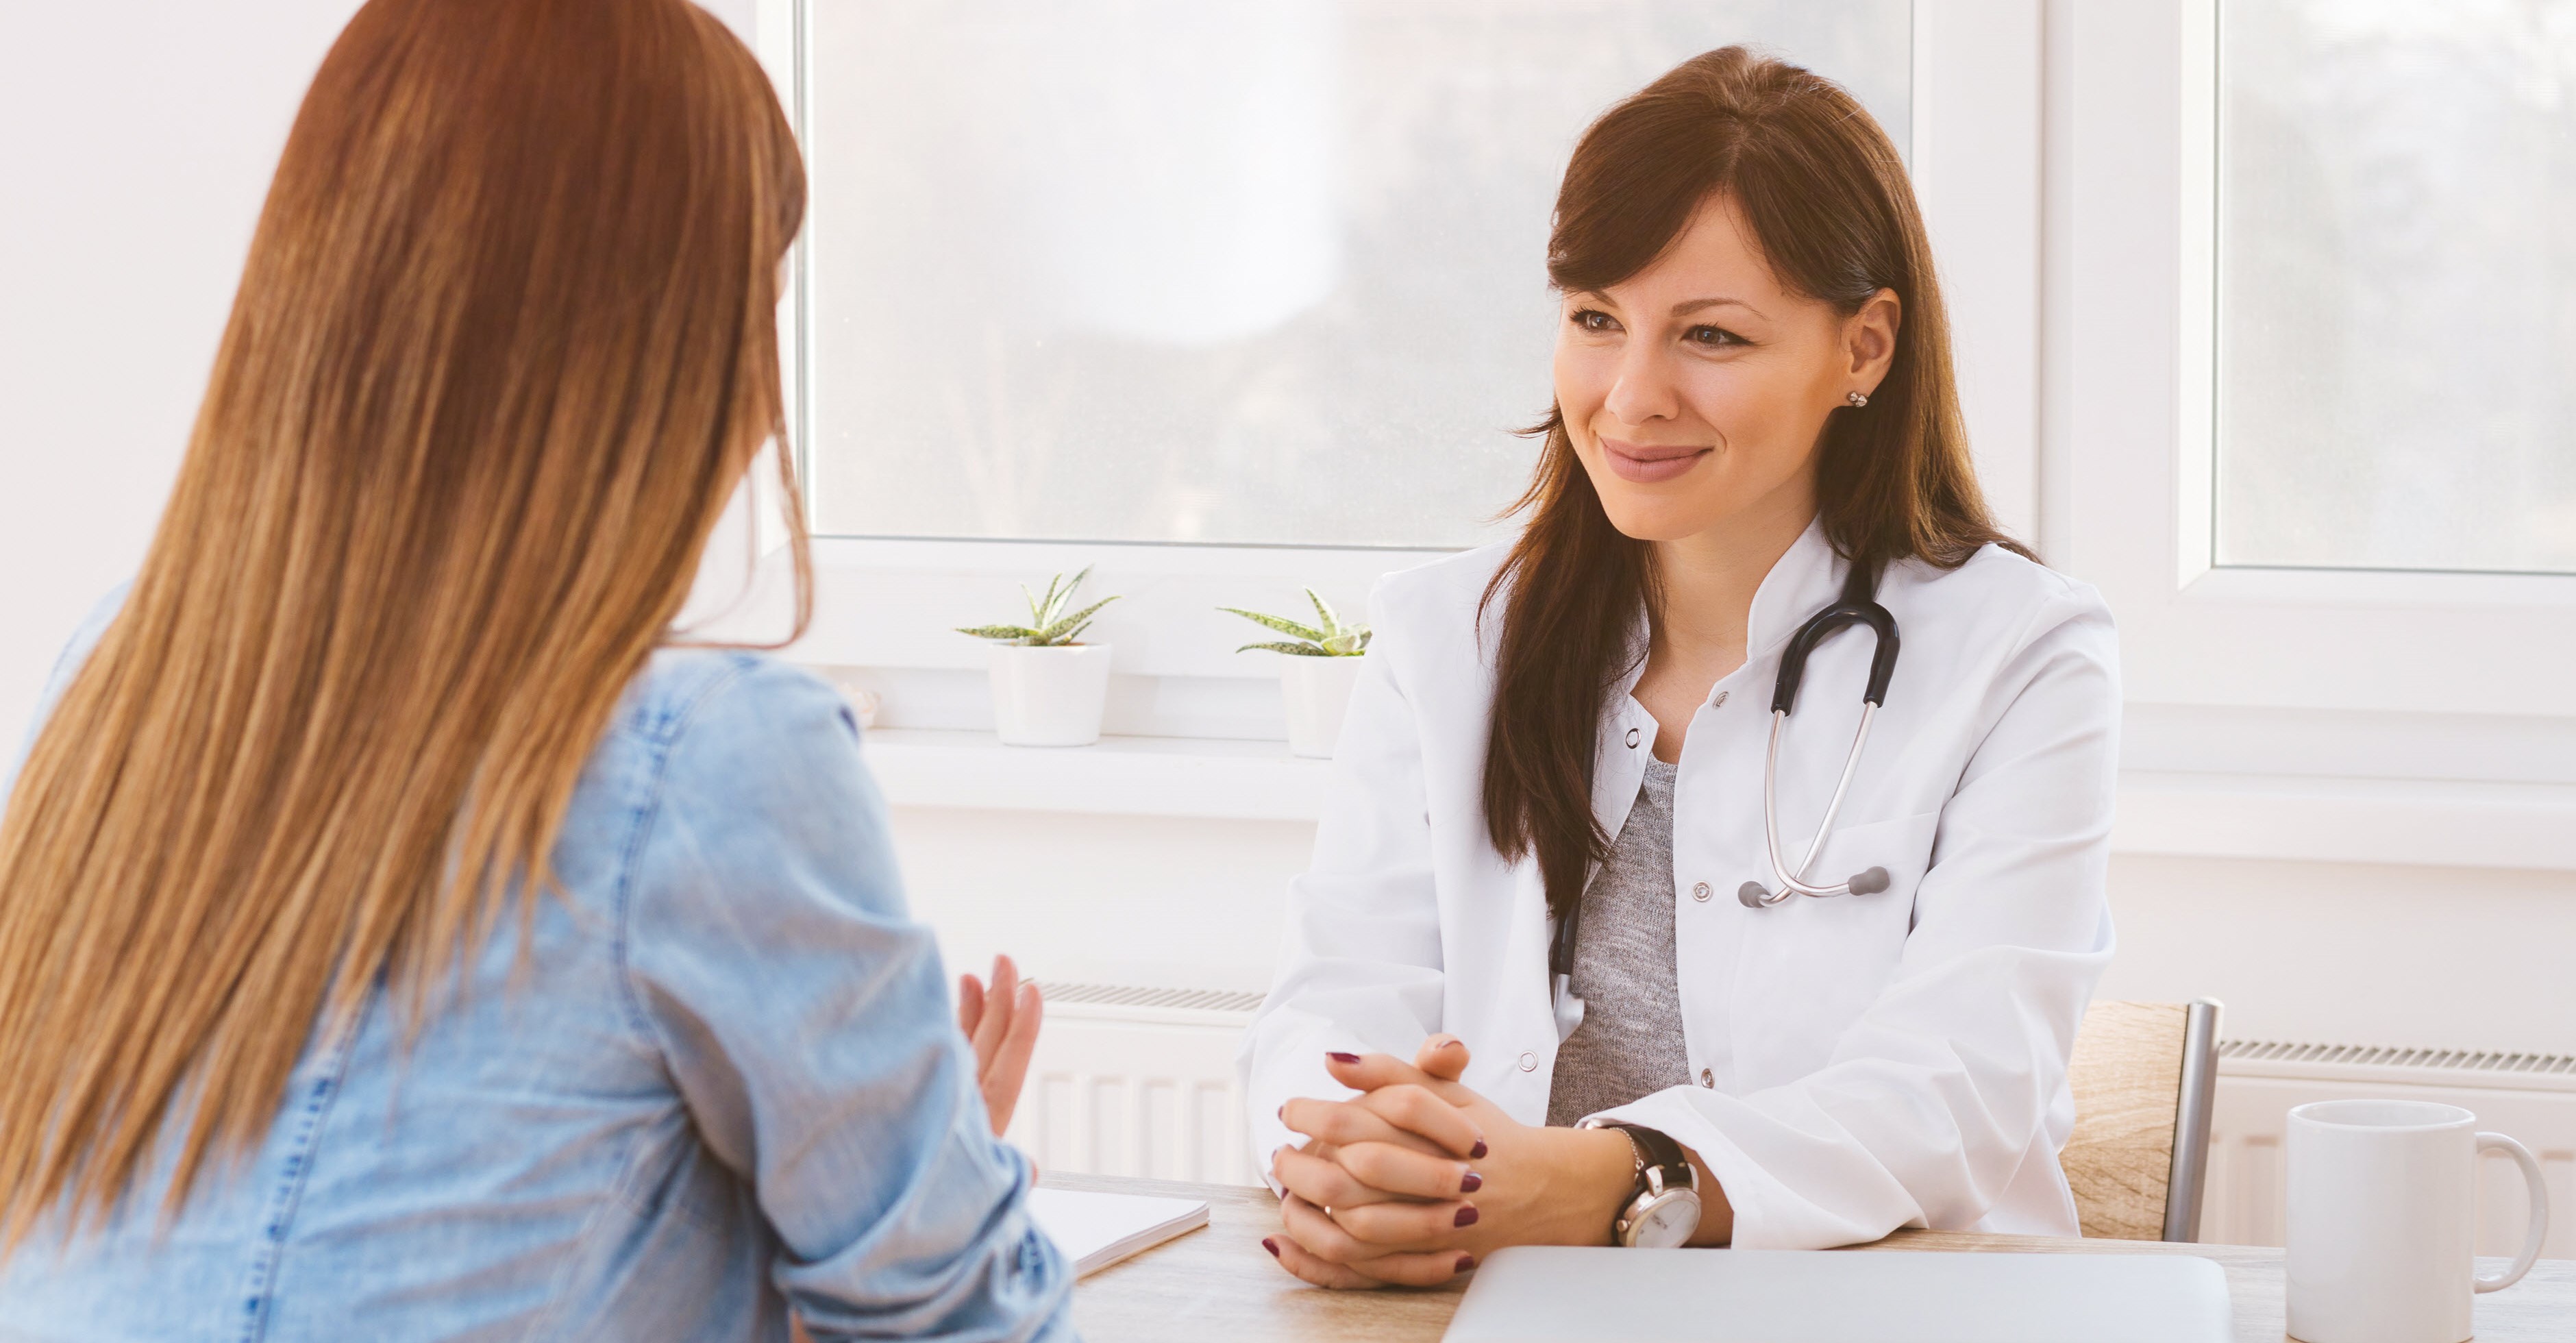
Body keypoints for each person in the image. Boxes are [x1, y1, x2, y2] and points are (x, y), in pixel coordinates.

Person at [0, 1, 1072, 1338]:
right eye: (755, 311)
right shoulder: (706, 755)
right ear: (666, 347)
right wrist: (902, 1198)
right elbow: (962, 1326)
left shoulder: (109, 683)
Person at [1239, 45, 2120, 1287]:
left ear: (1862, 350)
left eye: (1710, 335)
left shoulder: (2024, 655)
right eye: (1597, 320)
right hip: (1492, 1305)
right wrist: (1351, 1153)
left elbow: (1958, 1091)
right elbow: (1332, 1002)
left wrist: (1611, 1180)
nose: (1630, 396)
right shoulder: (1450, 638)